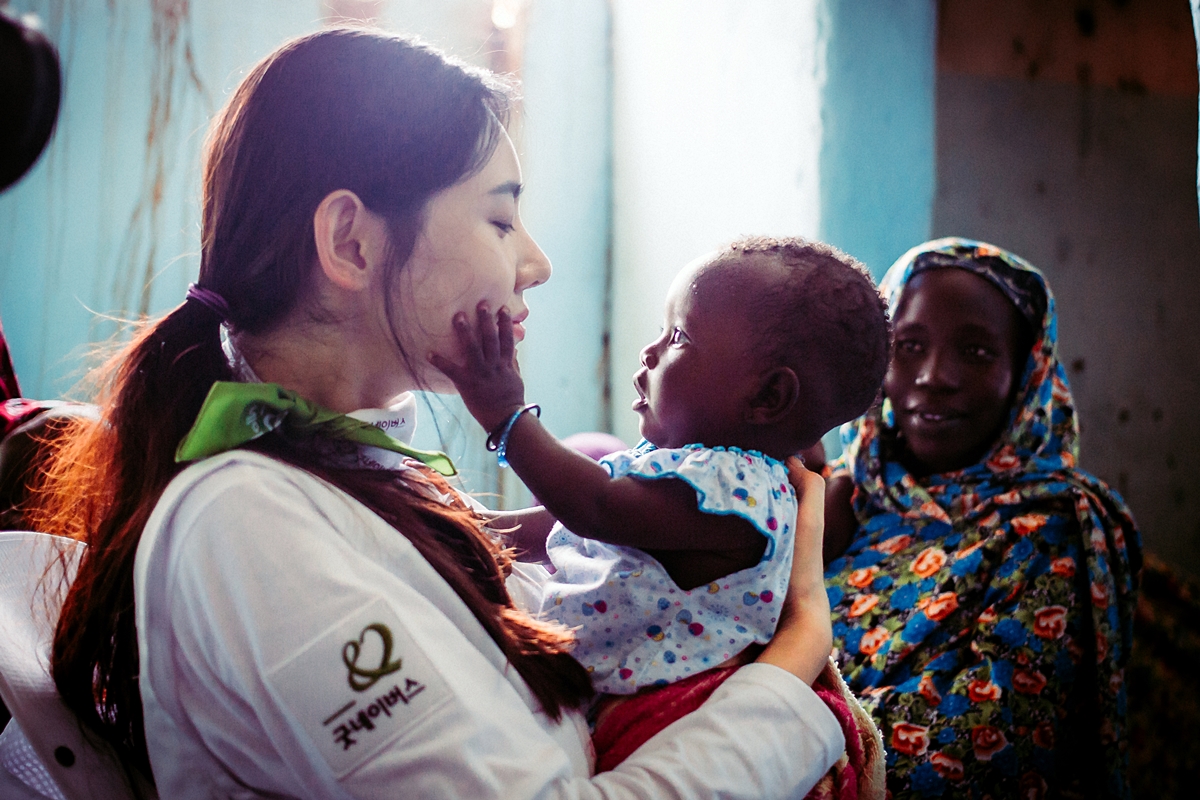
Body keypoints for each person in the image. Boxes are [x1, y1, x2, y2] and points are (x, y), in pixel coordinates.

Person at [29, 29, 844, 798]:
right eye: (499, 217)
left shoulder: (352, 469)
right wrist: (792, 667)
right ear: (351, 242)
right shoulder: (246, 528)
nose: (537, 263)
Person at [436, 237, 889, 699]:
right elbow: (574, 526)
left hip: (644, 718)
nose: (648, 353)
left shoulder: (740, 494)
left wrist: (507, 416)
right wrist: (471, 528)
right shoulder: (690, 465)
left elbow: (596, 507)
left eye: (678, 337)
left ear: (768, 397)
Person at [822, 238, 1141, 799]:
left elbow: (979, 758)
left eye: (974, 352)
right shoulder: (849, 495)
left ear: (1027, 373)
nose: (933, 376)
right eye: (910, 345)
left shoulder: (1054, 528)